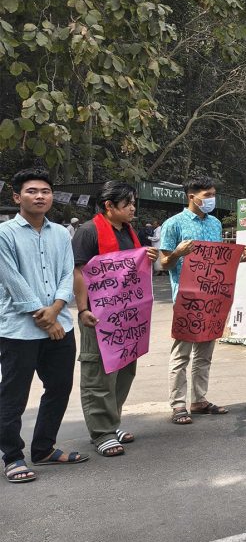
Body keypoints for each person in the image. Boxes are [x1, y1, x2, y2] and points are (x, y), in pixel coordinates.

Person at [0, 168, 84, 484]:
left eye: (45, 191)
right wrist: (45, 318)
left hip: (61, 324)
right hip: (18, 329)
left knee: (59, 387)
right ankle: (12, 456)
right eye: (32, 191)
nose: (39, 196)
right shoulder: (5, 234)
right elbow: (12, 281)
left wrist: (57, 309)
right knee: (13, 395)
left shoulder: (61, 233)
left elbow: (67, 274)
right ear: (16, 197)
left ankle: (44, 448)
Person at [72, 181, 158, 457]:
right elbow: (79, 272)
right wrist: (82, 309)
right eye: (127, 203)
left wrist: (148, 256)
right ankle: (101, 432)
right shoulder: (88, 231)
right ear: (109, 206)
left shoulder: (130, 232)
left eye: (133, 202)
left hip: (127, 316)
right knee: (99, 374)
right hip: (98, 316)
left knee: (124, 370)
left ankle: (112, 422)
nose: (133, 208)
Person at [160, 176, 246, 425]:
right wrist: (177, 253)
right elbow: (163, 263)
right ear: (192, 197)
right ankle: (178, 405)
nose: (212, 199)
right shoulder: (173, 224)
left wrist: (240, 257)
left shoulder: (215, 224)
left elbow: (218, 259)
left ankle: (199, 400)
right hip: (186, 297)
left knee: (205, 353)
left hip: (213, 296)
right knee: (181, 354)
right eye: (208, 195)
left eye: (213, 194)